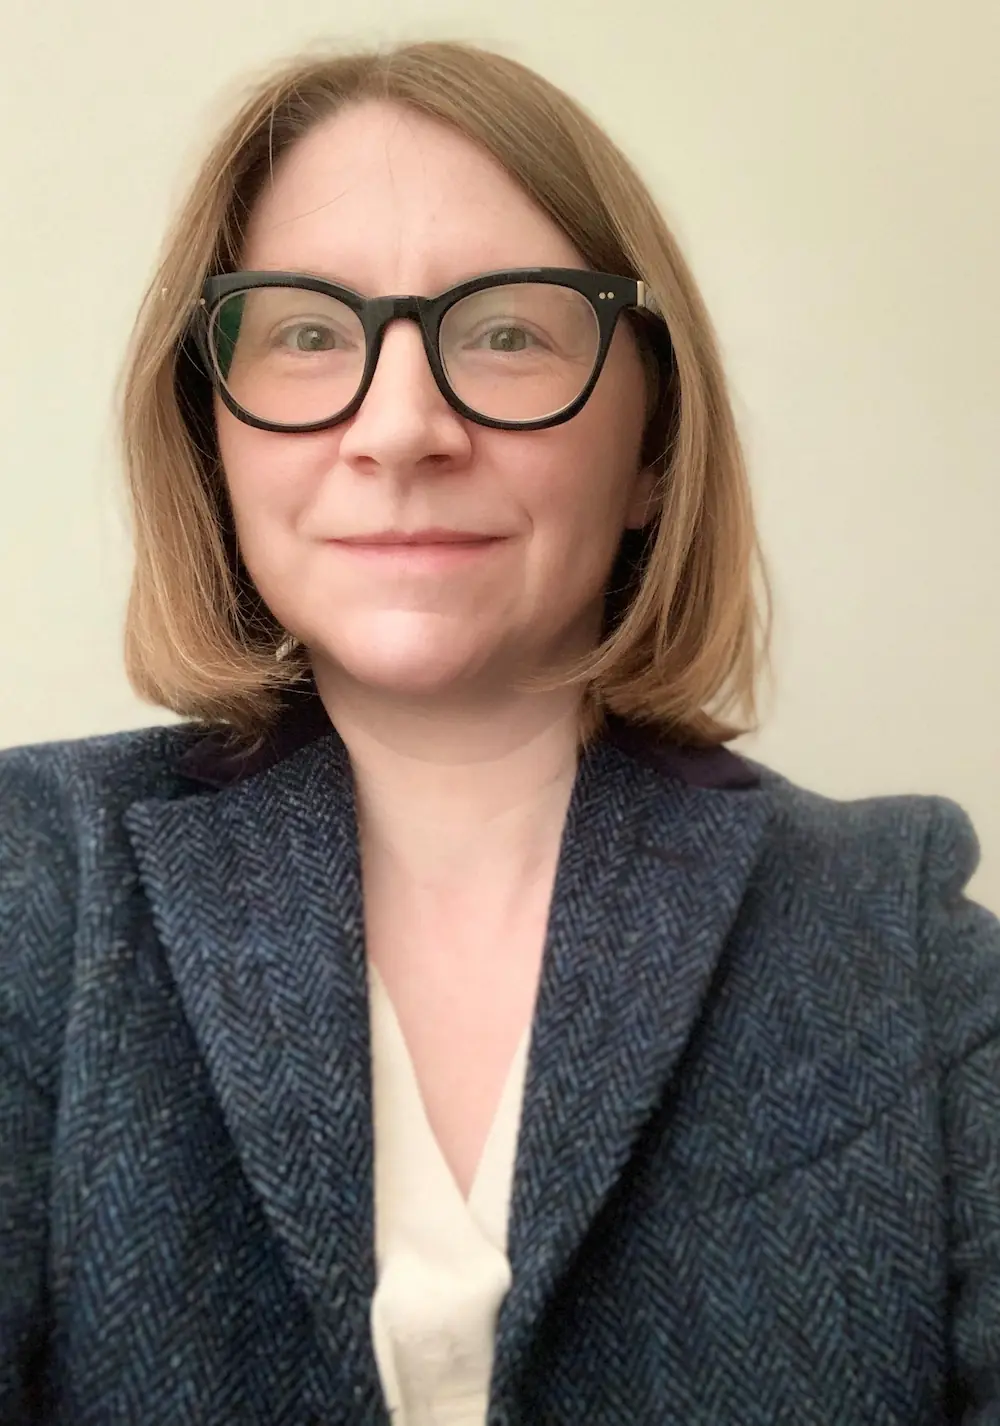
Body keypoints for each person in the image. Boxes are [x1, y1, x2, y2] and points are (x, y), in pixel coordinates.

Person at [1, 37, 997, 1426]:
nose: (401, 427)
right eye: (307, 334)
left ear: (653, 452)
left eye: (509, 332)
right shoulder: (34, 885)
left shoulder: (896, 940)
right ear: (214, 439)